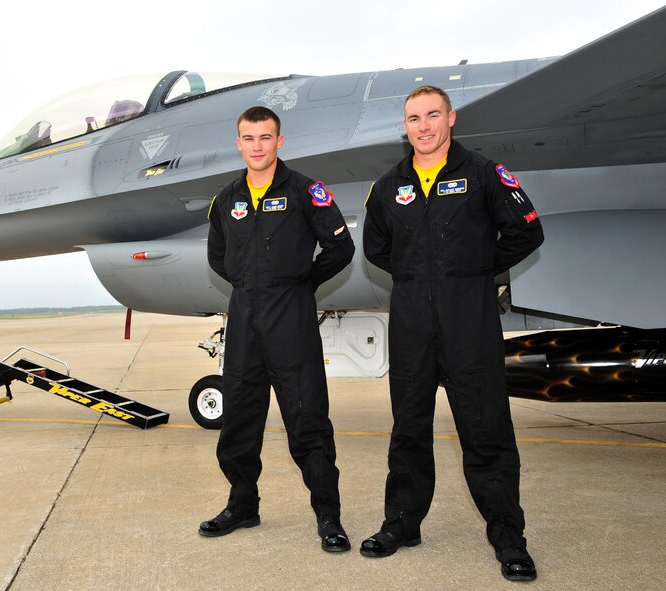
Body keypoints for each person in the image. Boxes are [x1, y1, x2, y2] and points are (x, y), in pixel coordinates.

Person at [361, 86, 544, 581]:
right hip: (412, 321)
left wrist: (475, 268)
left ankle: (508, 537)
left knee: (486, 431)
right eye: (414, 118)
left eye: (433, 115)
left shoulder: (484, 174)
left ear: (451, 118)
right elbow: (376, 247)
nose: (424, 126)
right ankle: (402, 522)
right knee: (409, 429)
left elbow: (528, 230)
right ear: (406, 126)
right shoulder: (388, 186)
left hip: (470, 319)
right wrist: (420, 271)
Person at [201, 105, 356, 553]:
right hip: (245, 315)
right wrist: (250, 283)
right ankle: (242, 505)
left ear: (279, 141)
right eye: (249, 139)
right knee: (239, 421)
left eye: (265, 138)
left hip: (292, 317)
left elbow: (340, 246)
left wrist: (302, 281)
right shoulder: (226, 198)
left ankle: (329, 516)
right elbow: (218, 256)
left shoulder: (307, 191)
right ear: (239, 143)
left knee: (307, 420)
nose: (257, 146)